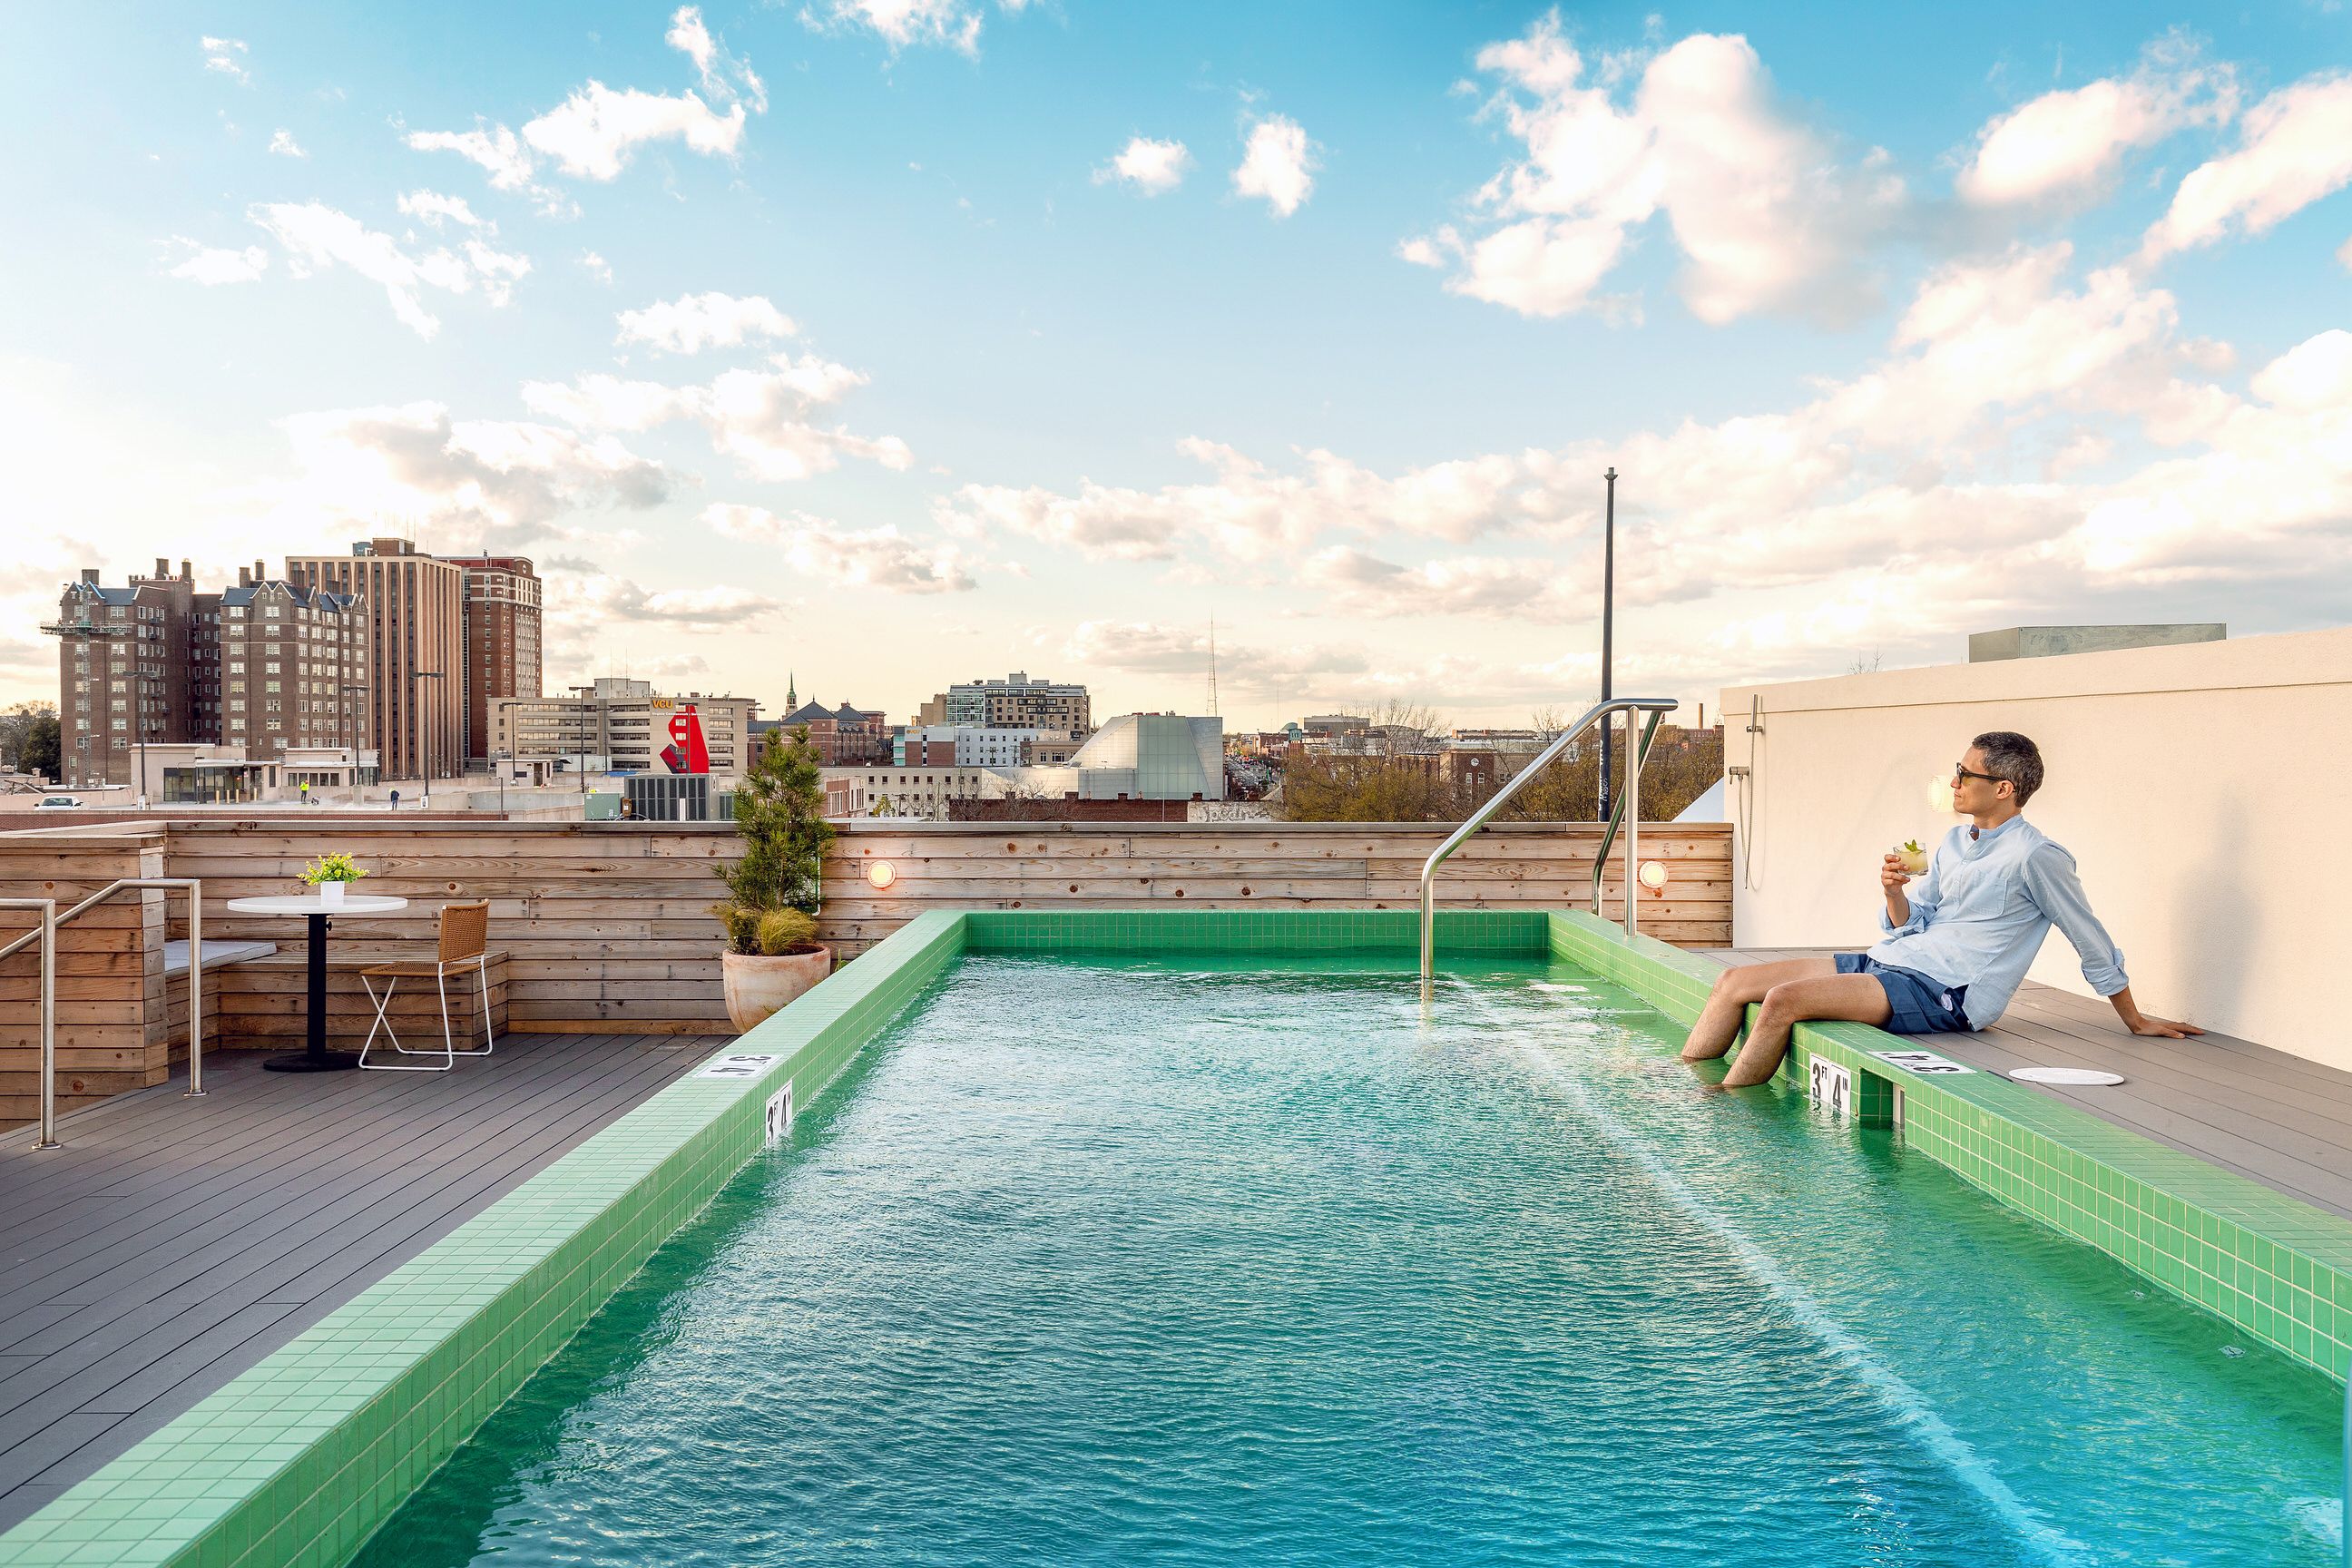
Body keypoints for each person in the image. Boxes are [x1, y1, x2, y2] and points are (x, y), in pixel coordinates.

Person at [1681, 730, 2199, 1088]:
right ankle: (1682, 1089)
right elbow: (1913, 923)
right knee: (1733, 983)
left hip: (1946, 991)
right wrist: (1892, 891)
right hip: (1894, 962)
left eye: (1964, 774)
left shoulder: (2037, 856)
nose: (1953, 783)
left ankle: (1729, 1121)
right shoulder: (1954, 841)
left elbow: (2089, 935)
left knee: (1782, 1001)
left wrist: (2132, 1019)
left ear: (2003, 788)